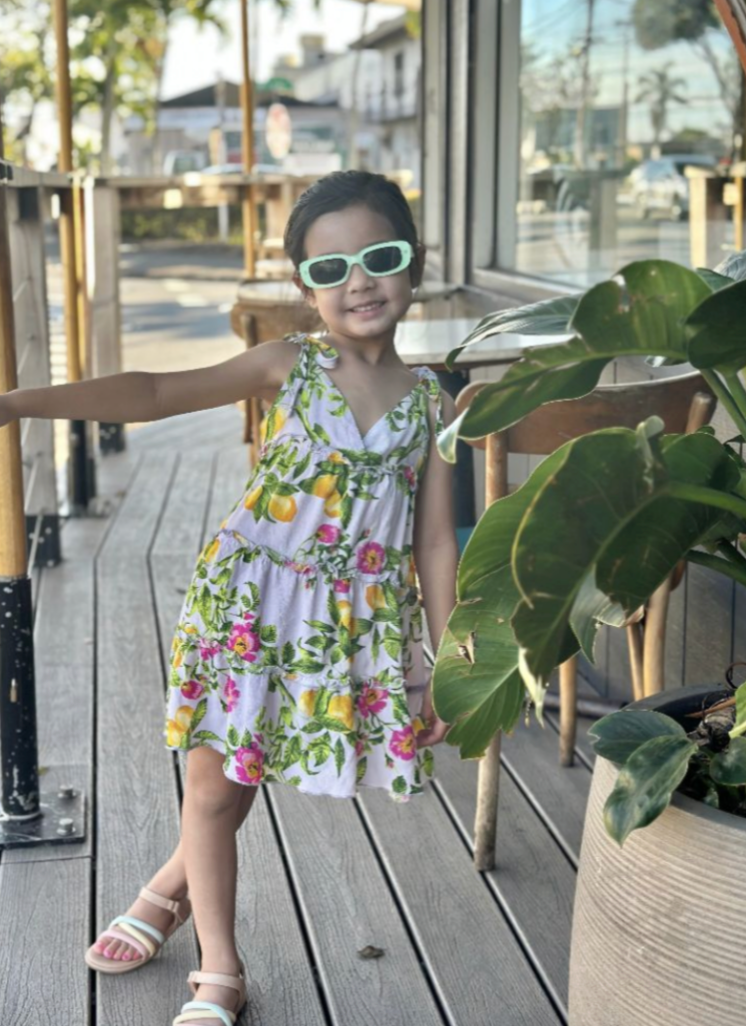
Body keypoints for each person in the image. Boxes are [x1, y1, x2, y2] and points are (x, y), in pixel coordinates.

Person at [0, 170, 458, 1026]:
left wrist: (448, 658)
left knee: (242, 781)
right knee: (214, 789)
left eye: (380, 257)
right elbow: (155, 393)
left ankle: (167, 889)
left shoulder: (432, 401)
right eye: (331, 269)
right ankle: (221, 969)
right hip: (247, 606)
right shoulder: (292, 365)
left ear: (414, 263)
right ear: (304, 288)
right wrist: (15, 404)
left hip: (343, 627)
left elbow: (433, 539)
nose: (358, 281)